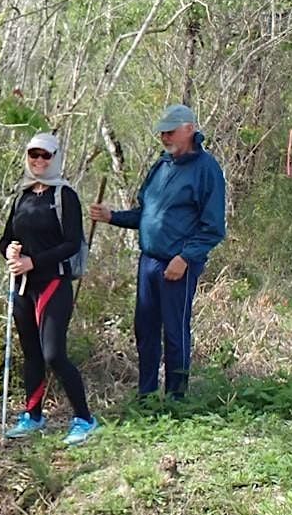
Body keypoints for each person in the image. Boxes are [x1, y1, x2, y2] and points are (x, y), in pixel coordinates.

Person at [88, 104, 226, 398]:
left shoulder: (206, 170)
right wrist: (112, 216)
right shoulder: (161, 166)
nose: (164, 137)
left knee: (175, 333)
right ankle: (147, 396)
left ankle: (176, 398)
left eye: (170, 132)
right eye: (162, 132)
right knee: (145, 330)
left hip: (177, 265)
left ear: (189, 129)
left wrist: (185, 258)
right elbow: (146, 214)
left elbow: (213, 227)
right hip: (148, 261)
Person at [0, 133, 100, 445]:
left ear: (55, 158)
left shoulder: (64, 195)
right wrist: (9, 252)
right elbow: (5, 238)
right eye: (34, 155)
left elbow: (71, 243)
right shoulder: (22, 195)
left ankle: (85, 419)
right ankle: (33, 415)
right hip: (23, 286)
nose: (39, 161)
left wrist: (33, 262)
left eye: (45, 156)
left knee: (54, 354)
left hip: (53, 282)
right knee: (31, 353)